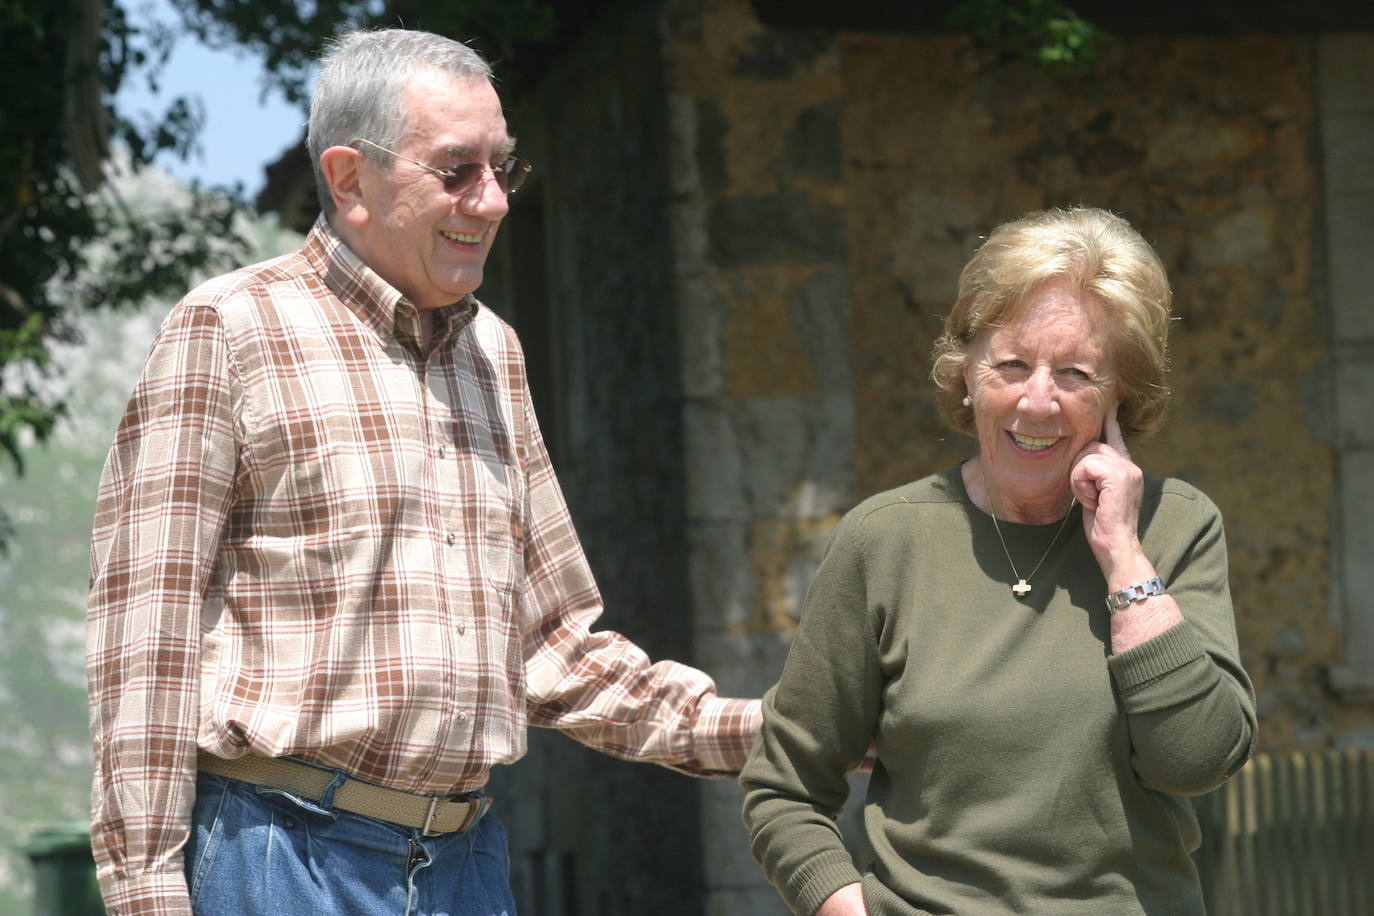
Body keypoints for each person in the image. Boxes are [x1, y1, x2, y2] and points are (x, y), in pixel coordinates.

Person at [87, 28, 759, 916]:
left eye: (503, 169)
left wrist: (770, 733)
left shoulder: (495, 354)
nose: (493, 202)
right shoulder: (229, 329)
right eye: (456, 171)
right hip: (279, 859)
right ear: (348, 178)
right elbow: (146, 632)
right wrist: (145, 893)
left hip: (466, 867)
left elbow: (549, 645)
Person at [740, 207, 1257, 916]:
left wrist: (1123, 555)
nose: (1035, 401)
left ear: (1120, 395)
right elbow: (786, 787)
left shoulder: (1175, 526)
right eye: (1011, 364)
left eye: (1075, 373)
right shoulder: (886, 540)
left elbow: (1195, 759)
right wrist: (845, 908)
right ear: (966, 374)